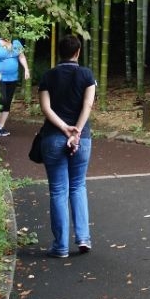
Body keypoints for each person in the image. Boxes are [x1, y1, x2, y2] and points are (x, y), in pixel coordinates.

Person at [38, 32, 97, 258]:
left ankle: (60, 246)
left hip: (53, 137)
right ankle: (83, 238)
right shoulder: (86, 75)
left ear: (59, 52)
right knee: (78, 186)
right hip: (82, 139)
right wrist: (76, 131)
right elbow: (88, 105)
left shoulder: (48, 76)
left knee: (59, 190)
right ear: (78, 52)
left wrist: (64, 129)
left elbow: (46, 108)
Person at [0, 32, 31, 137]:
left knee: (8, 102)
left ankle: (0, 127)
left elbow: (22, 57)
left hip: (13, 77)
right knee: (2, 100)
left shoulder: (16, 43)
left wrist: (26, 69)